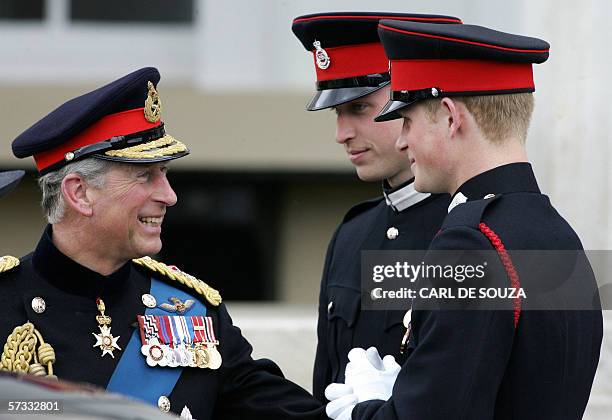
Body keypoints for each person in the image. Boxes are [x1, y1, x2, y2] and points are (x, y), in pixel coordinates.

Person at [0, 67, 325, 420]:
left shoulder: (190, 309)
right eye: (145, 176)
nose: (169, 196)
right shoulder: (6, 301)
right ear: (79, 193)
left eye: (165, 174)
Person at [326, 21, 603, 419]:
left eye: (408, 121)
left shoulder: (469, 244)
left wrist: (364, 409)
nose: (403, 141)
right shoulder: (559, 234)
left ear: (451, 117)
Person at [291, 12, 460, 403]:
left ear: (410, 101)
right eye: (338, 113)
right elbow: (327, 389)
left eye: (360, 109)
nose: (341, 134)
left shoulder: (469, 229)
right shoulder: (353, 233)